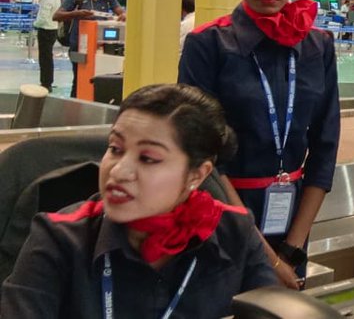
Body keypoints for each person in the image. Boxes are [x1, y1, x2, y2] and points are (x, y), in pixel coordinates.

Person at [0, 84, 277, 317]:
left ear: (197, 174)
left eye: (148, 158)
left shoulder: (234, 231)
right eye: (115, 149)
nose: (118, 171)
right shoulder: (58, 238)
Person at [179, 0, 340, 288]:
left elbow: (325, 147)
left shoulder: (319, 47)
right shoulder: (207, 45)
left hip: (293, 222)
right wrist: (267, 258)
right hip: (223, 215)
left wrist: (293, 249)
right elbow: (203, 157)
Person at [53, 0, 125, 98]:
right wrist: (76, 13)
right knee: (80, 80)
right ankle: (75, 109)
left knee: (101, 79)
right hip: (78, 47)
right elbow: (56, 15)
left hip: (102, 48)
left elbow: (120, 11)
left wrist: (123, 15)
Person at [33, 0, 60, 91]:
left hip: (45, 30)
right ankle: (47, 82)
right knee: (48, 57)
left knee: (44, 58)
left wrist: (34, 24)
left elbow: (43, 18)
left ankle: (45, 83)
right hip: (53, 29)